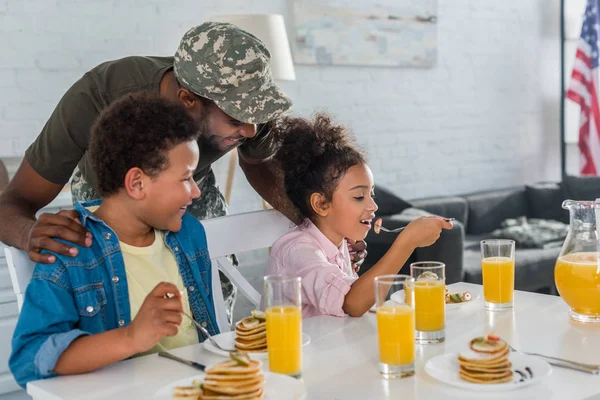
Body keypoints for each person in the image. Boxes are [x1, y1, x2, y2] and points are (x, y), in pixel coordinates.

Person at [9, 92, 220, 388]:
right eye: (186, 178)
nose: (196, 192)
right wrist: (132, 337)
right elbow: (30, 359)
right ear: (137, 184)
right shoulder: (71, 248)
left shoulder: (189, 233)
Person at [266, 114, 453, 318]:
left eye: (371, 194)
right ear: (321, 204)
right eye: (359, 196)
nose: (373, 206)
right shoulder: (298, 250)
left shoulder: (339, 245)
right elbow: (351, 304)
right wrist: (407, 242)